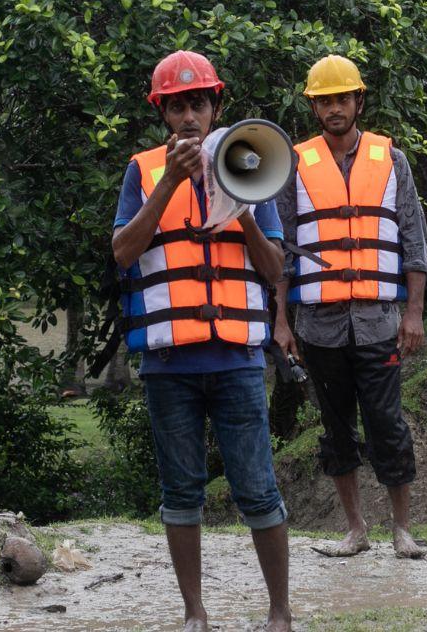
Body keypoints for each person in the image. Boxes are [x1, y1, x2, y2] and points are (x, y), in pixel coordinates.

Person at [111, 50, 293, 632]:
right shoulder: (142, 171)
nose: (189, 116)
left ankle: (280, 613)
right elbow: (123, 252)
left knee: (258, 489)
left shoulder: (250, 162)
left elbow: (274, 268)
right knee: (181, 492)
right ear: (162, 113)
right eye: (176, 106)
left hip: (237, 358)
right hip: (169, 362)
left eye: (198, 103)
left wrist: (240, 207)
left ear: (215, 107)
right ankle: (195, 613)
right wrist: (169, 180)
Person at [274, 55, 427, 559]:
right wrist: (281, 321)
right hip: (318, 326)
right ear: (314, 108)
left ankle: (402, 529)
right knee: (336, 429)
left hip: (379, 321)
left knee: (388, 423)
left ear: (359, 101)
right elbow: (281, 250)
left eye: (342, 98)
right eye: (324, 101)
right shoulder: (294, 164)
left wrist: (414, 313)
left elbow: (414, 241)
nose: (334, 109)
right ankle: (356, 529)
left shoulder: (393, 160)